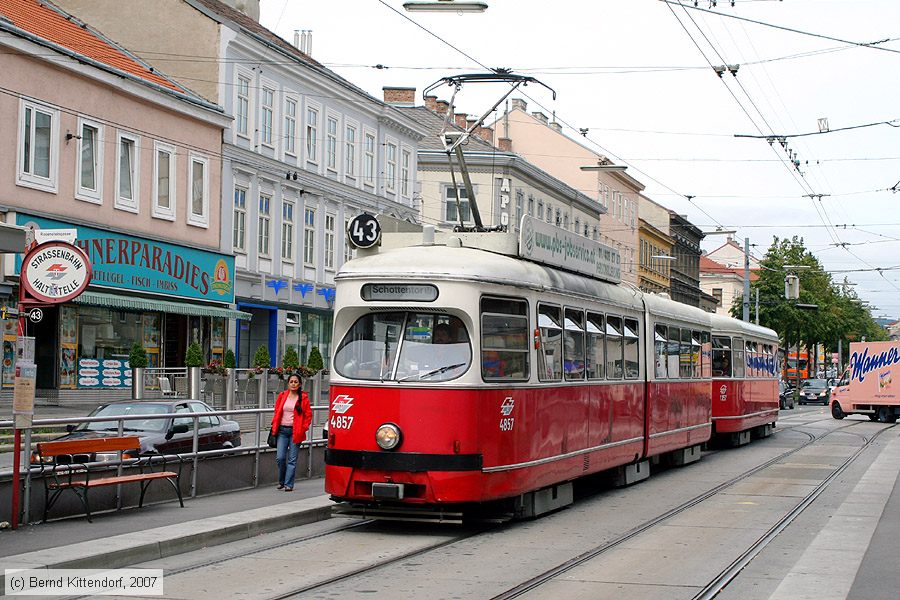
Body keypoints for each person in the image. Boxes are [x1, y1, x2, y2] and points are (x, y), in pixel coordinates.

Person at [271, 373, 312, 492]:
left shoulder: (303, 398)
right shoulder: (282, 395)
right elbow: (277, 411)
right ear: (288, 384)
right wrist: (275, 425)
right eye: (291, 382)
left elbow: (308, 415)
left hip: (296, 432)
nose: (293, 384)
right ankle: (282, 481)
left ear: (299, 384)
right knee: (280, 458)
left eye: (296, 382)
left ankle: (289, 484)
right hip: (282, 431)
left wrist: (303, 428)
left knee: (292, 460)